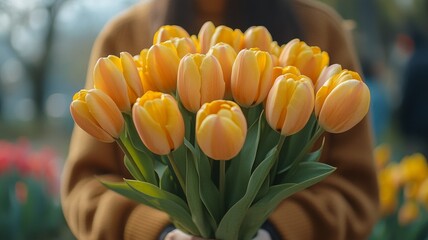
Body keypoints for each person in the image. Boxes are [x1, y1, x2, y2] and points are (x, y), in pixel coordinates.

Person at [61, 0, 379, 239]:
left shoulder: (321, 29)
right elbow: (84, 188)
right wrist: (160, 234)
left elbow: (356, 190)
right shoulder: (124, 37)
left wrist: (275, 232)